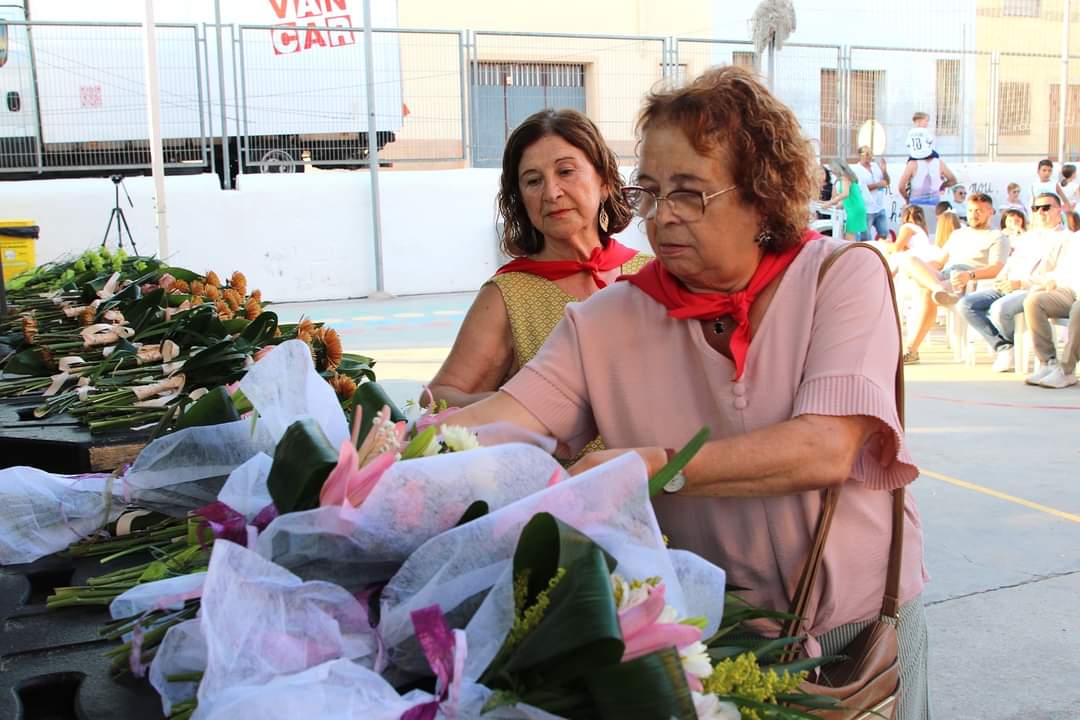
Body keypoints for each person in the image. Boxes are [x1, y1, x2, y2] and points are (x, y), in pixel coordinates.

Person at [450, 66, 931, 719]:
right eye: (651, 191)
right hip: (720, 642)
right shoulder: (606, 320)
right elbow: (505, 419)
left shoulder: (839, 280)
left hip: (859, 627)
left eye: (690, 193)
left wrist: (657, 466)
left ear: (763, 194)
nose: (663, 216)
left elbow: (824, 447)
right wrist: (400, 448)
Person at [425, 109, 649, 408]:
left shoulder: (651, 273)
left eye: (566, 171)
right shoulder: (508, 296)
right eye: (533, 181)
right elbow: (437, 399)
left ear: (605, 181)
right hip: (554, 457)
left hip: (664, 457)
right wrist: (524, 407)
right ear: (520, 199)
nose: (551, 193)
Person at [896, 192, 1010, 364]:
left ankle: (911, 350)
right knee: (909, 259)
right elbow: (939, 262)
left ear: (990, 212)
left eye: (979, 210)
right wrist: (923, 271)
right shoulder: (958, 234)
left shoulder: (997, 236)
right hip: (945, 275)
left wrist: (969, 275)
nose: (974, 214)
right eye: (971, 210)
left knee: (926, 292)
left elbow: (996, 268)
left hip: (968, 278)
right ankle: (939, 289)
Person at [958, 192, 1064, 372]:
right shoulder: (1029, 237)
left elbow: (1057, 274)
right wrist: (1001, 279)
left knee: (1000, 308)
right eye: (1036, 208)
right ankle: (1004, 346)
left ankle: (1011, 347)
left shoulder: (1066, 238)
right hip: (1008, 285)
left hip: (1035, 290)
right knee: (966, 304)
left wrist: (1021, 283)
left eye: (1046, 208)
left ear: (1058, 210)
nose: (1040, 212)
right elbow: (1012, 262)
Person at [1023, 229, 1080, 388]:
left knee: (1078, 309)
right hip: (1070, 290)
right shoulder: (1076, 238)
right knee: (1034, 301)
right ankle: (1048, 362)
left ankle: (1066, 371)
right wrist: (1052, 280)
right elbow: (1065, 269)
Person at [898, 152, 956, 236]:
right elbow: (953, 180)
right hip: (935, 206)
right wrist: (941, 186)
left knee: (914, 237)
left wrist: (907, 199)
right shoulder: (939, 163)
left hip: (915, 208)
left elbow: (900, 187)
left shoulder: (912, 164)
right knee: (933, 236)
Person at [878, 205, 944, 269]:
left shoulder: (908, 227)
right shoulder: (922, 229)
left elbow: (896, 248)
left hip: (917, 258)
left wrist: (884, 244)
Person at [851, 145, 891, 240]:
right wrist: (878, 185)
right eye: (866, 153)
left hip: (879, 207)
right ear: (860, 155)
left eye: (870, 153)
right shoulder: (856, 170)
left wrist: (884, 171)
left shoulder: (875, 166)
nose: (869, 156)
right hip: (866, 209)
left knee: (884, 233)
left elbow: (887, 181)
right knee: (866, 239)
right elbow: (860, 188)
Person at [823, 161, 867, 241]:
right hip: (856, 208)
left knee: (849, 237)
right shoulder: (849, 178)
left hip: (854, 209)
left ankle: (852, 253)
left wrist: (830, 203)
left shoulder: (844, 178)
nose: (832, 173)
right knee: (851, 235)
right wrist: (835, 205)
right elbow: (848, 197)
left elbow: (845, 194)